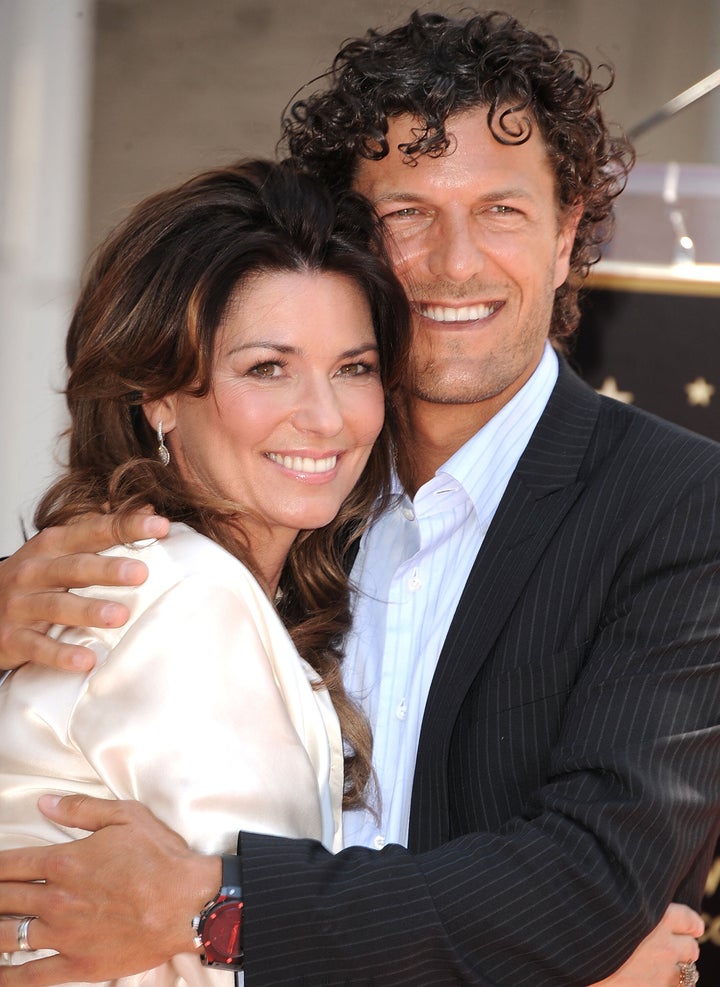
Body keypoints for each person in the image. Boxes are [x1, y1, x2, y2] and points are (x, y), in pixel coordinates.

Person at [0, 9, 717, 987]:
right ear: (352, 240)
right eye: (408, 212)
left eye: (502, 210)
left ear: (568, 236)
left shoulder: (680, 506)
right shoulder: (281, 502)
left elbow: (587, 879)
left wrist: (224, 908)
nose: (456, 261)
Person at [0, 157, 413, 985]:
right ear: (159, 394)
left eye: (353, 367)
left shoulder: (144, 578)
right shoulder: (186, 594)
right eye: (268, 367)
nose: (326, 416)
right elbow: (262, 960)